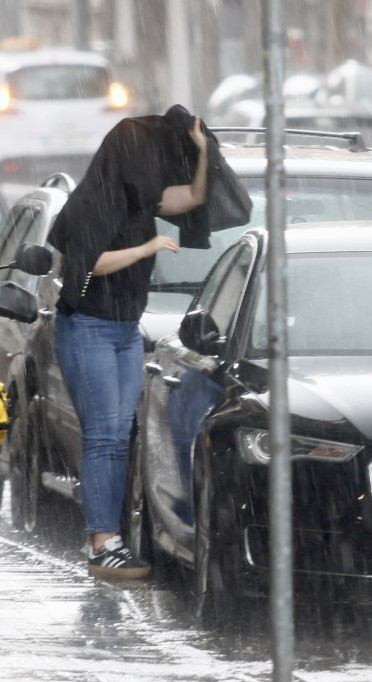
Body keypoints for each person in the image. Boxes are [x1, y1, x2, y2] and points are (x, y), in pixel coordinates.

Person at [48, 107, 210, 579]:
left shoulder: (142, 199)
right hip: (88, 328)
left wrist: (203, 152)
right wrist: (146, 248)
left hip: (124, 330)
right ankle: (102, 546)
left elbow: (195, 196)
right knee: (103, 436)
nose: (155, 165)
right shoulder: (90, 203)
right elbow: (88, 264)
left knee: (118, 438)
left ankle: (110, 541)